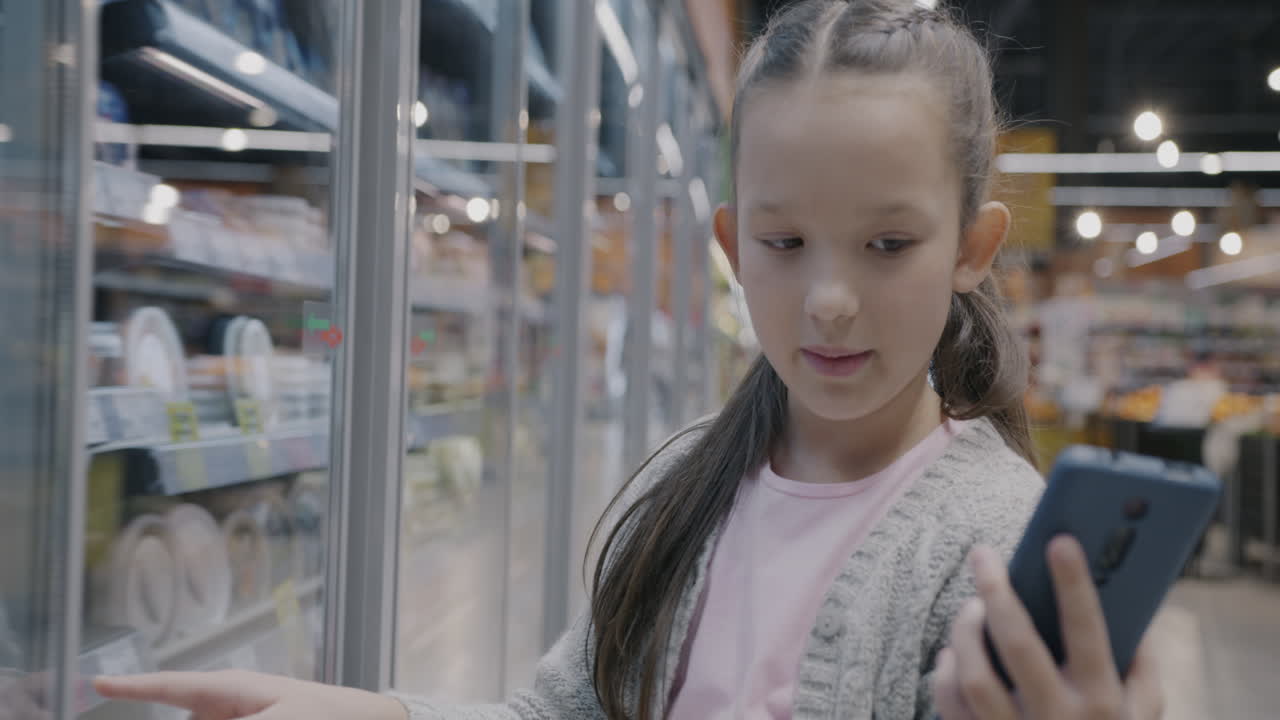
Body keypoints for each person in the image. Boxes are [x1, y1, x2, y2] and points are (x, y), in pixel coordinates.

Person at [95, 1, 1164, 718]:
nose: (829, 300)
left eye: (887, 245)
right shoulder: (684, 480)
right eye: (782, 244)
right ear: (729, 245)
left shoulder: (995, 542)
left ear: (973, 250)